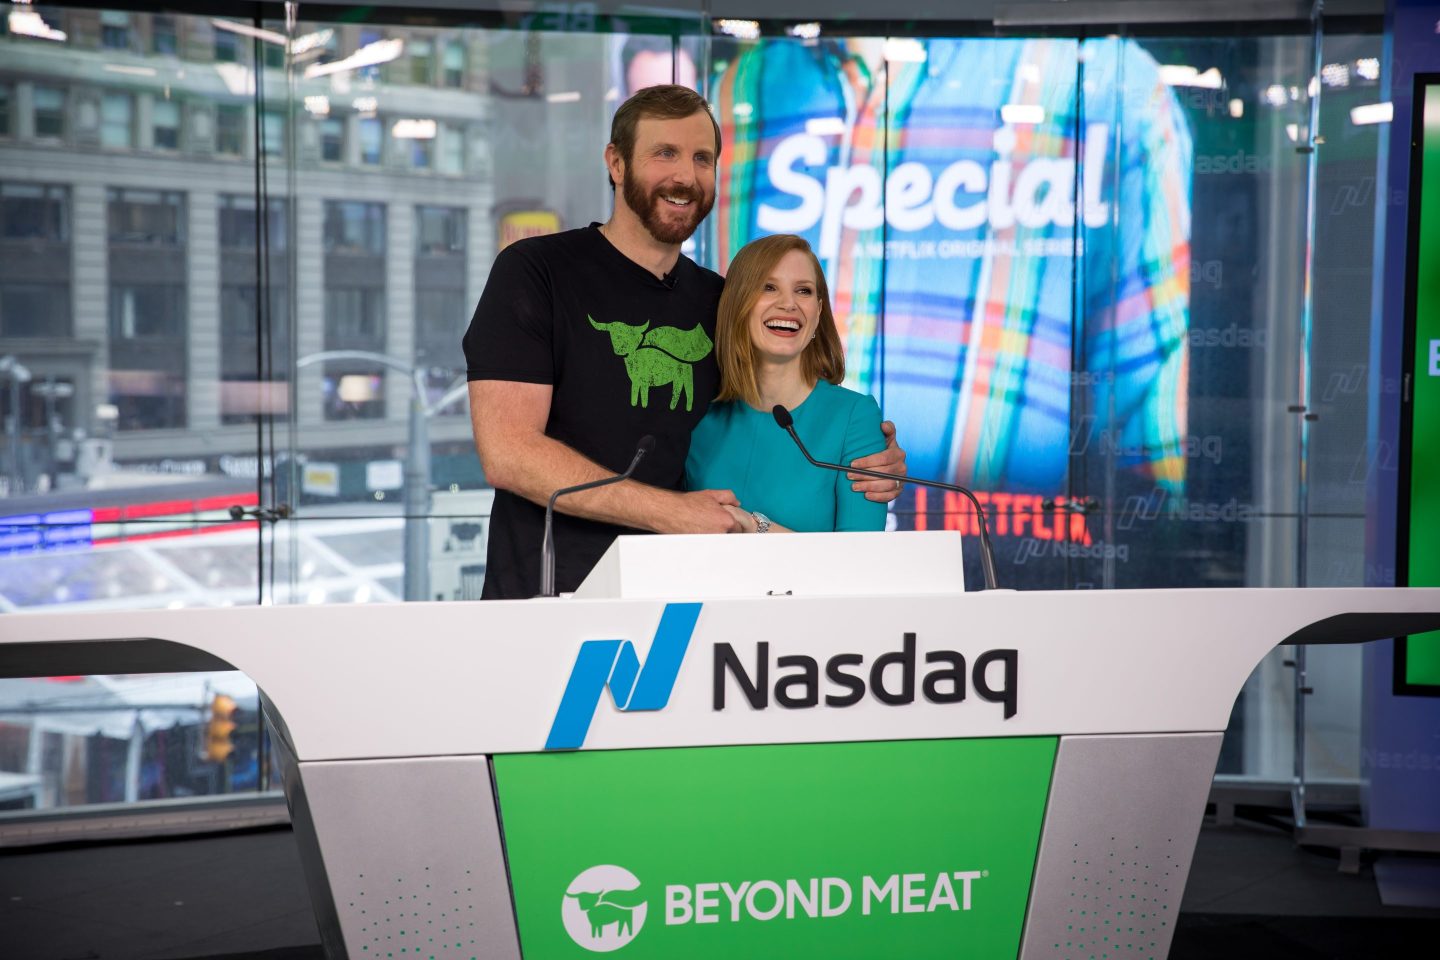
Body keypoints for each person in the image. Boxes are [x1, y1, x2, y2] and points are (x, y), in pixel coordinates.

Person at [464, 85, 906, 599]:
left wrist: (871, 459)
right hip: (546, 602)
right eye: (665, 153)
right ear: (616, 163)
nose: (685, 176)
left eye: (702, 158)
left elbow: (782, 414)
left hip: (681, 606)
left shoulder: (719, 303)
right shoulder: (537, 272)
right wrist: (669, 512)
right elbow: (508, 452)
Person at [687, 234, 886, 533]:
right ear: (737, 304)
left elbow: (862, 557)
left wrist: (755, 526)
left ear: (819, 312)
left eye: (803, 291)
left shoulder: (855, 417)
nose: (788, 304)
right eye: (768, 287)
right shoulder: (698, 415)